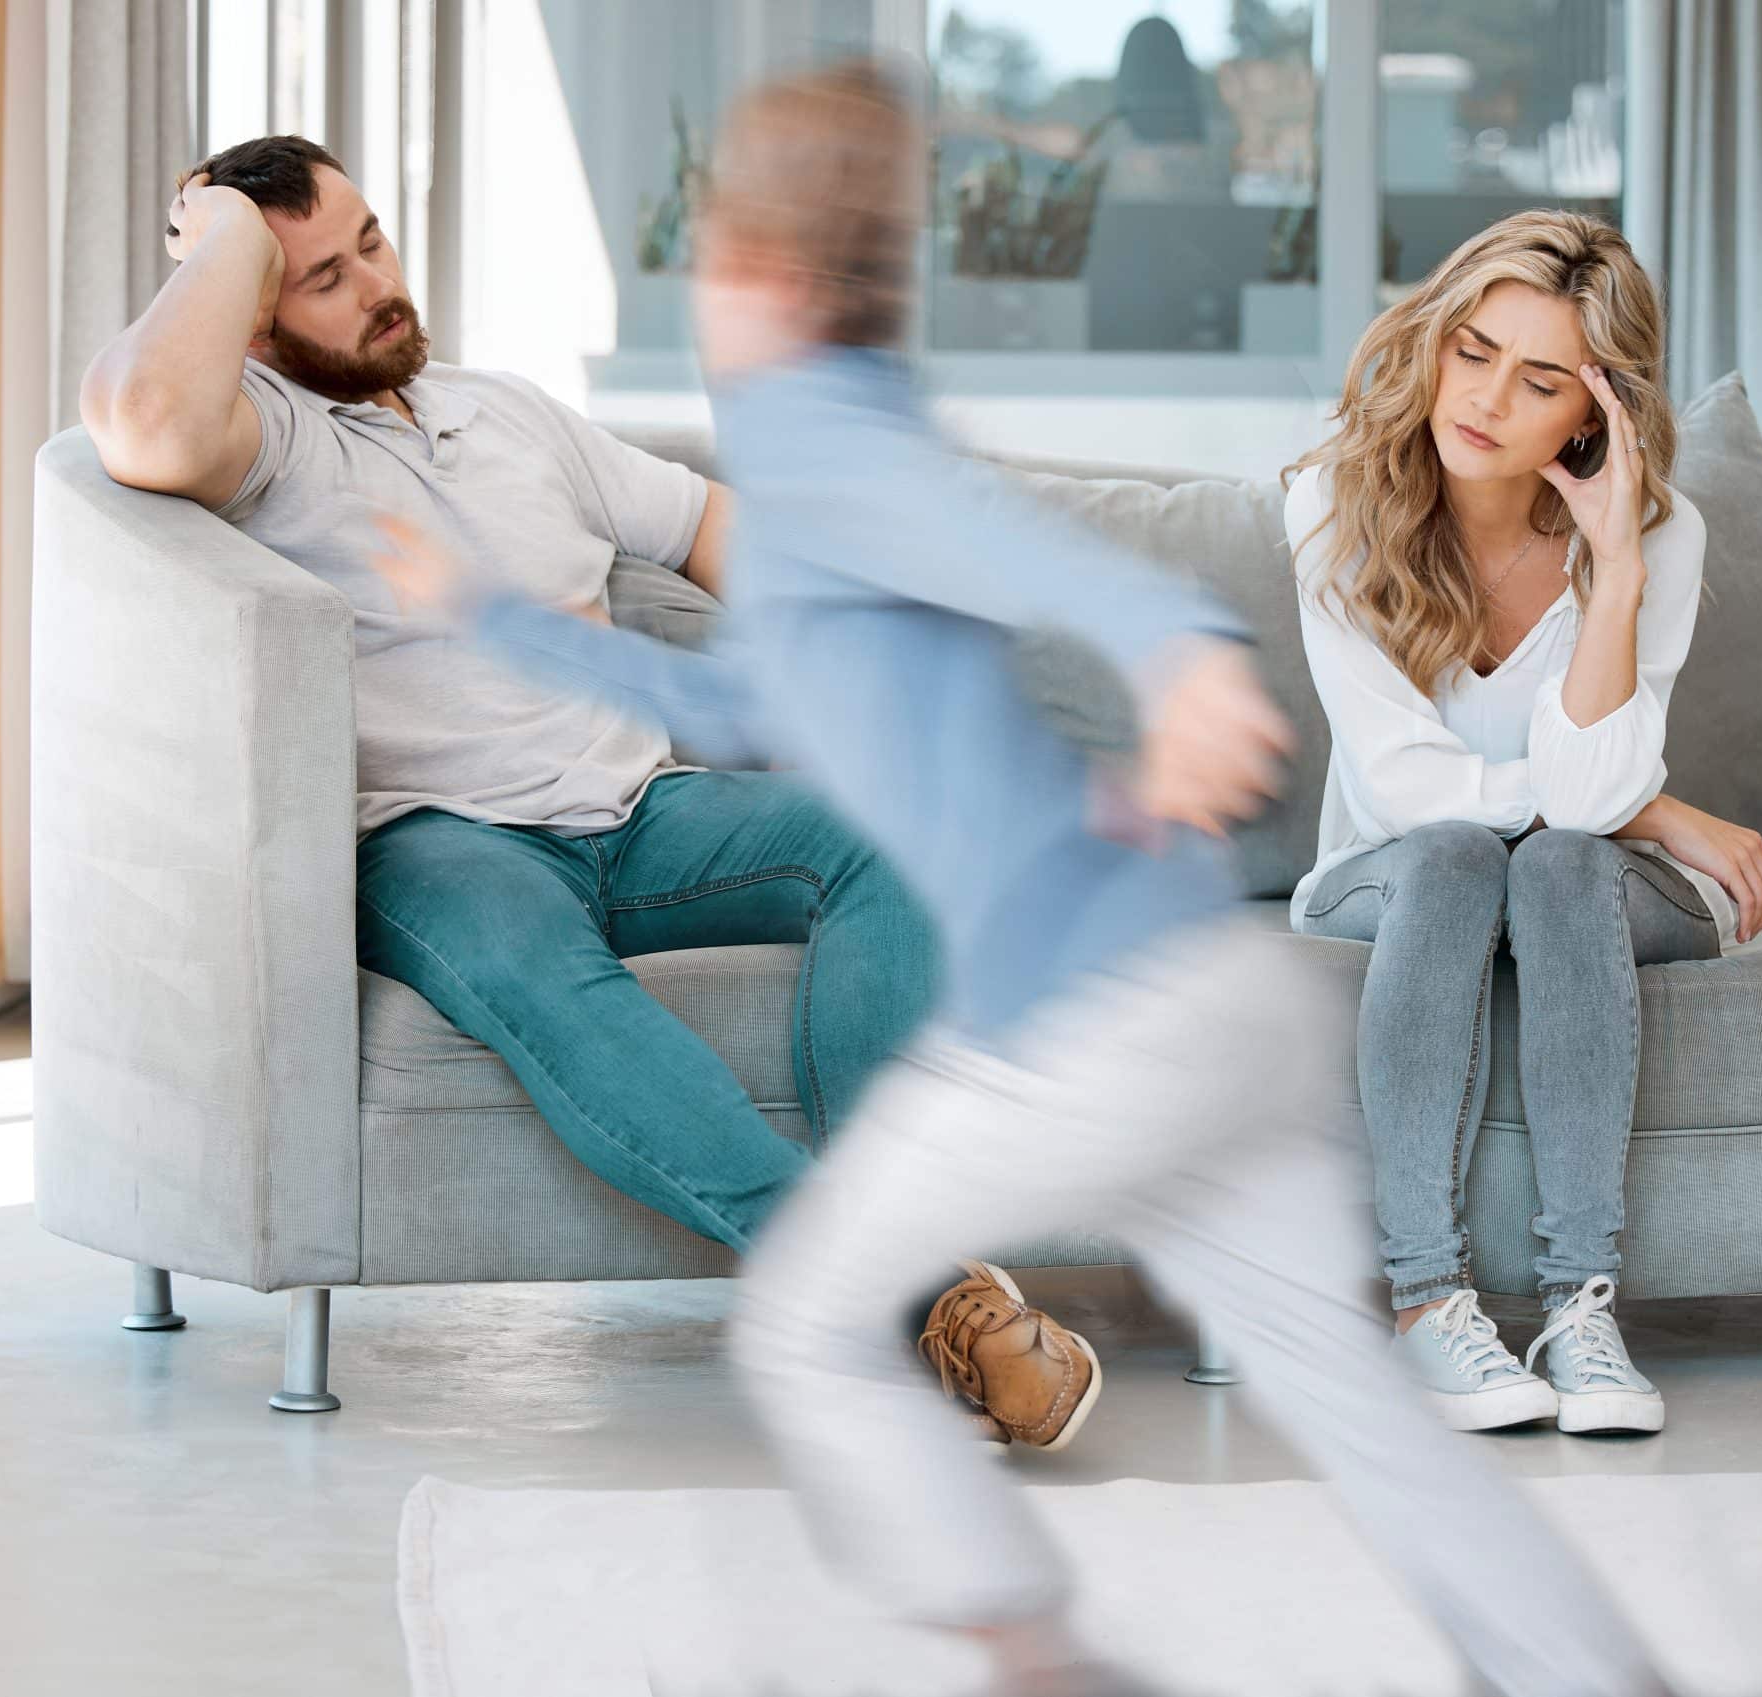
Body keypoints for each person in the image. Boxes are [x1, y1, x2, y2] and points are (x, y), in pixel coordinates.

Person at [374, 61, 1762, 1697]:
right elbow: (740, 702)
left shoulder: (828, 444)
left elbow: (1033, 552)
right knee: (1348, 1398)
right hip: (1212, 1013)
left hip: (1082, 1033)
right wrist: (485, 612)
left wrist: (1185, 652)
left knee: (801, 1324)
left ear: (763, 270)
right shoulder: (813, 477)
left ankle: (1035, 1655)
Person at [79, 133, 1094, 1449]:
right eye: (319, 276)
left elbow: (711, 527)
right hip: (441, 845)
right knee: (548, 980)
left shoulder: (505, 410)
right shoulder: (264, 441)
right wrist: (223, 235)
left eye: (372, 240)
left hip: (644, 811)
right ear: (256, 314)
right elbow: (145, 420)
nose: (376, 286)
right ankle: (916, 1301)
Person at [1284, 210, 1762, 1434]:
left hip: (1580, 877)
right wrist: (1655, 810)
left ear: (1594, 412)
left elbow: (1584, 803)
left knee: (1558, 861)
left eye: (1541, 378)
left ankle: (1581, 1311)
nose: (1488, 398)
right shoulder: (1330, 500)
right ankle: (1425, 1304)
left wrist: (1613, 567)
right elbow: (1405, 791)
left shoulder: (1659, 530)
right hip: (1389, 874)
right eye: (1473, 350)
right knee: (1461, 851)